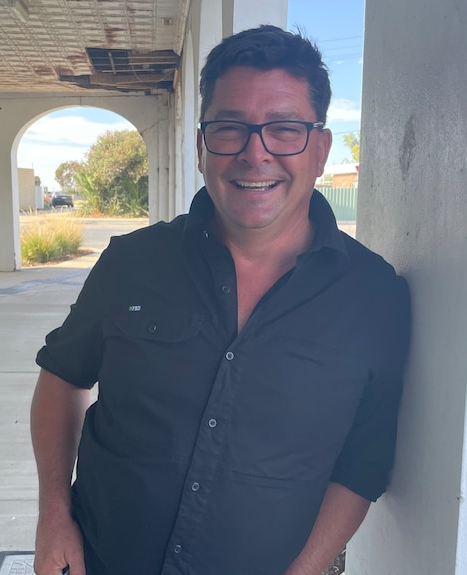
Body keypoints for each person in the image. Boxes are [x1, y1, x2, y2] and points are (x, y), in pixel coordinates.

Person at [31, 25, 411, 575]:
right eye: (230, 128)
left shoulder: (374, 297)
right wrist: (53, 516)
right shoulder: (131, 263)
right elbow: (62, 377)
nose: (256, 154)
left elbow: (363, 463)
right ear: (202, 145)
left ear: (321, 149)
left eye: (284, 130)